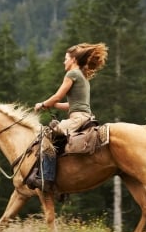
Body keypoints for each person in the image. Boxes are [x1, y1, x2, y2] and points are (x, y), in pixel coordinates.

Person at [26, 42, 108, 192]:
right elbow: (71, 105)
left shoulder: (72, 74)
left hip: (77, 119)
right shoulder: (83, 77)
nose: (64, 61)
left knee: (46, 136)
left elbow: (57, 96)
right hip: (84, 117)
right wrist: (54, 105)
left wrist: (42, 105)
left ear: (73, 60)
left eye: (66, 58)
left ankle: (47, 178)